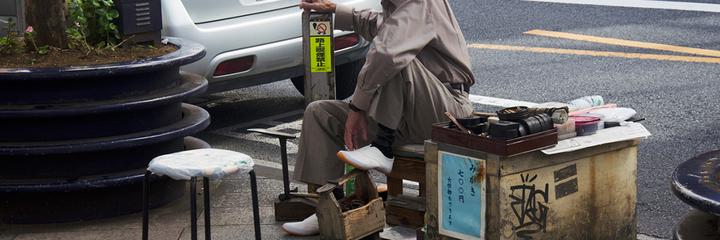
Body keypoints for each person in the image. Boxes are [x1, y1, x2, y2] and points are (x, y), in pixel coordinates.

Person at [283, 0, 475, 235]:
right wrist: (335, 10)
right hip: (405, 114)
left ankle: (382, 147)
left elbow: (389, 50)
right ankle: (331, 206)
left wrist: (357, 108)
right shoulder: (397, 6)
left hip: (446, 110)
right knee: (320, 113)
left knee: (394, 56)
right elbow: (382, 25)